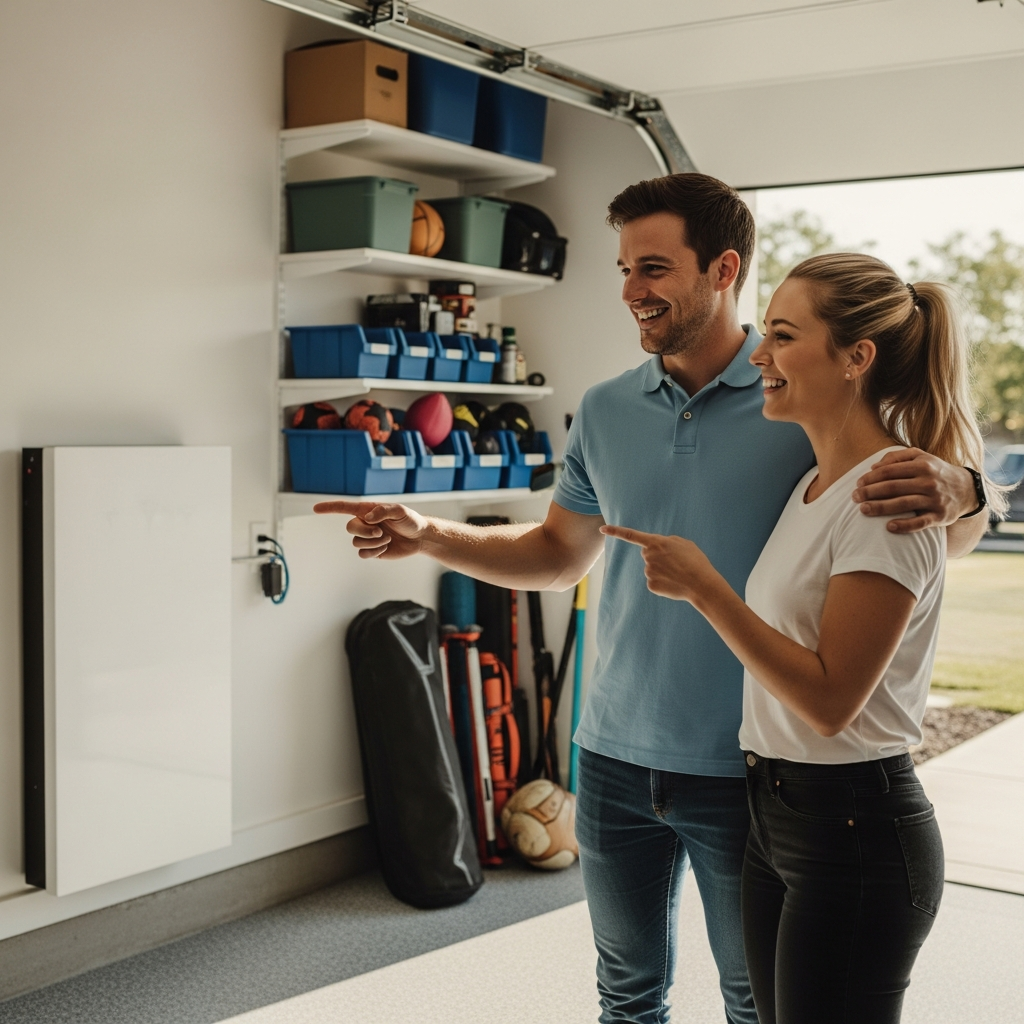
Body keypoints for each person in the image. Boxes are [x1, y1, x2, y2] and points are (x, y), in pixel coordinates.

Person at [314, 175, 988, 1024]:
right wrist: (429, 533)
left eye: (655, 268)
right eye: (626, 268)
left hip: (746, 772)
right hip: (612, 756)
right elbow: (561, 555)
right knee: (626, 993)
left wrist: (961, 487)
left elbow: (919, 527)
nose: (632, 291)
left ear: (722, 269)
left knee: (757, 1001)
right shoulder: (605, 411)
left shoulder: (800, 398)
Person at [603, 253, 1004, 1023]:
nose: (759, 356)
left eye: (783, 337)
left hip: (852, 827)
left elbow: (830, 701)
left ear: (857, 357)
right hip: (777, 814)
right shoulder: (813, 483)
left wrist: (706, 590)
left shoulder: (887, 497)